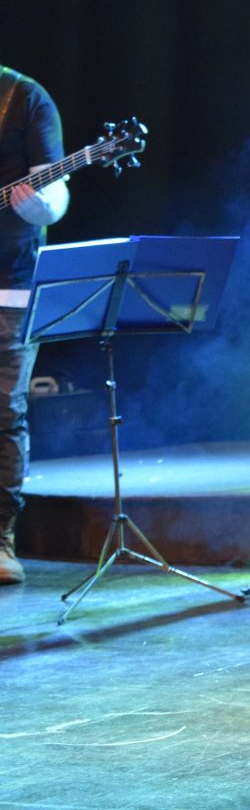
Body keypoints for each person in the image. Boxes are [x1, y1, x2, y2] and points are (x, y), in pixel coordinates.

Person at [0, 66, 69, 584]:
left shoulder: (24, 98)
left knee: (3, 412)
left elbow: (57, 194)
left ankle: (0, 538)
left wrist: (40, 206)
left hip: (10, 287)